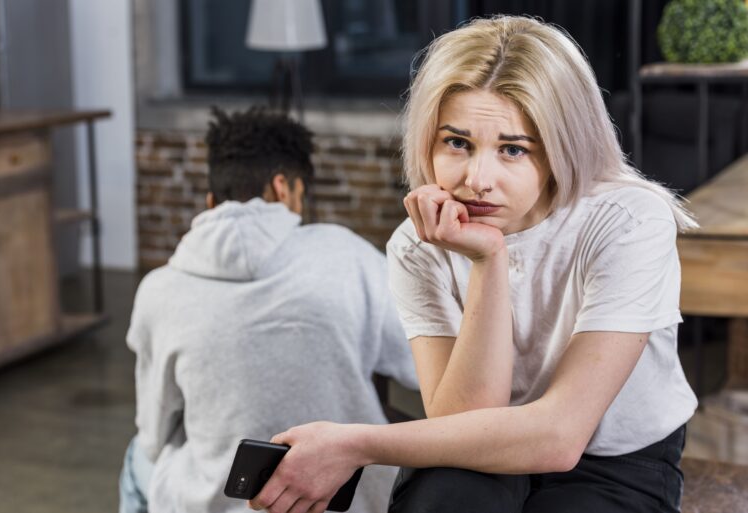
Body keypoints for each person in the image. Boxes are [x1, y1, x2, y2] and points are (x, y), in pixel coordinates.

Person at [248, 15, 698, 513]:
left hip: (615, 459)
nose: (478, 179)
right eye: (457, 143)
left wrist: (357, 445)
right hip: (473, 447)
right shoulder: (416, 247)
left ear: (560, 148)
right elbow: (464, 419)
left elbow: (560, 437)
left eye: (512, 150)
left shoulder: (627, 220)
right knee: (446, 499)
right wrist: (488, 260)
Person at [118, 107, 418, 513]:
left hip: (217, 500)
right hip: (343, 500)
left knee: (139, 452)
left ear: (211, 202)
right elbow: (419, 372)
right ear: (283, 188)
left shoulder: (157, 289)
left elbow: (155, 434)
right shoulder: (348, 254)